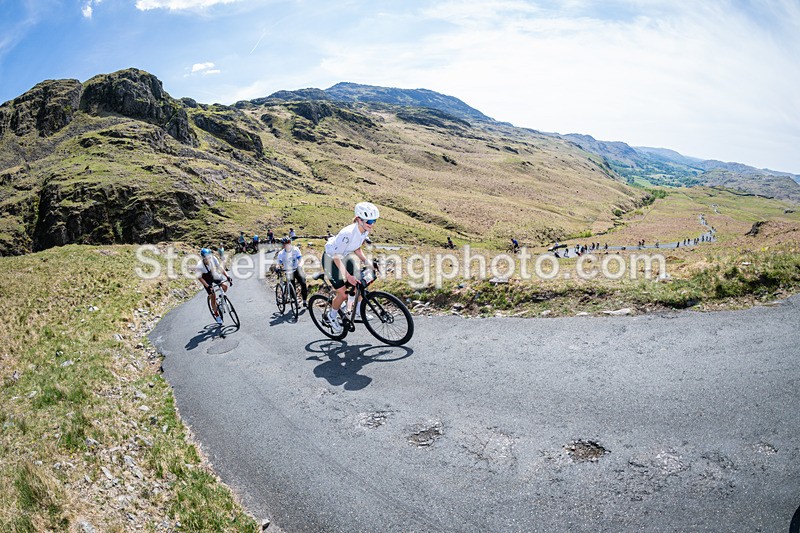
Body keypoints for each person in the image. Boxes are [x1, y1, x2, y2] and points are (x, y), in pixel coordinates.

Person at [322, 202, 379, 333]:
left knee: (360, 281)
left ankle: (358, 309)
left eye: (374, 221)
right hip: (331, 259)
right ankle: (331, 316)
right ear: (359, 220)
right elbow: (336, 257)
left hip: (344, 255)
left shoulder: (364, 230)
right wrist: (348, 276)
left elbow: (357, 248)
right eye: (369, 221)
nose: (372, 224)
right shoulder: (347, 234)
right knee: (342, 294)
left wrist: (367, 261)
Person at [197, 248, 232, 325]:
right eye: (207, 258)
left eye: (209, 257)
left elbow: (220, 267)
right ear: (203, 258)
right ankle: (217, 315)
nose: (209, 259)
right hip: (206, 279)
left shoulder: (213, 258)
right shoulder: (200, 265)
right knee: (213, 297)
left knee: (225, 285)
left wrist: (227, 276)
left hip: (213, 274)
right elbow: (199, 278)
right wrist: (208, 286)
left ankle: (222, 298)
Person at [276, 237, 308, 307]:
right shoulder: (281, 253)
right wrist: (277, 267)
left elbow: (300, 259)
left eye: (289, 243)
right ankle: (295, 301)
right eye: (285, 244)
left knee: (303, 283)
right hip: (288, 271)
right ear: (283, 245)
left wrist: (300, 265)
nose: (288, 245)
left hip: (297, 269)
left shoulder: (295, 249)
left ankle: (305, 301)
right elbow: (278, 263)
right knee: (292, 286)